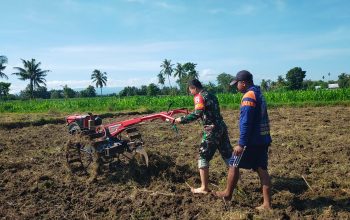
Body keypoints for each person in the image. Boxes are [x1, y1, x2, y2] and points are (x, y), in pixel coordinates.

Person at [215, 70, 272, 211]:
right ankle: (267, 204)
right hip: (263, 139)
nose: (236, 87)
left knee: (233, 163)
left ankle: (227, 194)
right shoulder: (259, 93)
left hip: (252, 141)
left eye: (237, 84)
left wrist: (241, 144)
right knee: (262, 170)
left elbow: (246, 123)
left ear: (244, 83)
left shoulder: (248, 97)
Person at [174, 79, 233, 194]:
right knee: (227, 155)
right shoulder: (211, 95)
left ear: (194, 88)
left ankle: (204, 188)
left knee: (203, 156)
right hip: (221, 127)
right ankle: (236, 182)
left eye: (190, 90)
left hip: (211, 130)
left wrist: (181, 120)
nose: (191, 93)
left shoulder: (198, 96)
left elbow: (197, 113)